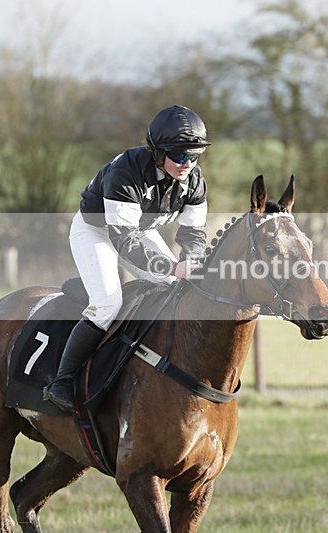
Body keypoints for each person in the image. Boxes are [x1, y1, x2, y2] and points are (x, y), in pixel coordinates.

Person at [44, 104, 210, 412]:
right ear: (158, 152)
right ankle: (61, 381)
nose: (187, 163)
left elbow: (193, 235)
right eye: (179, 155)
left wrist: (193, 262)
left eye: (194, 155)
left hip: (140, 230)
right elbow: (124, 240)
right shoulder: (127, 171)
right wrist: (174, 265)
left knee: (175, 286)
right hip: (98, 231)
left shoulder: (195, 182)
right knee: (108, 303)